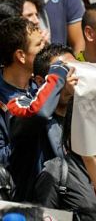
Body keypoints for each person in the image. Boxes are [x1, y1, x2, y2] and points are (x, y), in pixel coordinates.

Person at [8, 43, 76, 202]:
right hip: (37, 206)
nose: (74, 78)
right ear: (40, 81)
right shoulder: (21, 104)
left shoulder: (85, 108)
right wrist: (59, 72)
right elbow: (41, 112)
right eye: (67, 73)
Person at [0, 17, 46, 164]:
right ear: (21, 55)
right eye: (39, 45)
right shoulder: (2, 99)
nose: (46, 48)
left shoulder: (41, 84)